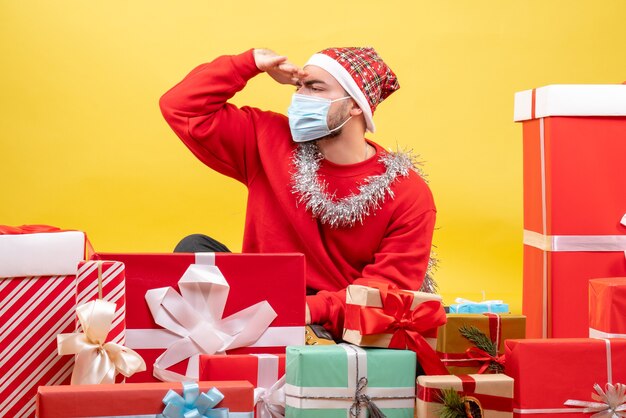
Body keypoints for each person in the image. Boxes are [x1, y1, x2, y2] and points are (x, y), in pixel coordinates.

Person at [160, 47, 436, 339]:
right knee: (196, 249)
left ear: (356, 105)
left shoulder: (407, 193)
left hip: (331, 323)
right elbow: (180, 106)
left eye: (315, 88)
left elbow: (386, 292)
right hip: (259, 297)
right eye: (299, 87)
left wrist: (306, 308)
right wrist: (251, 63)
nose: (301, 98)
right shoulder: (267, 139)